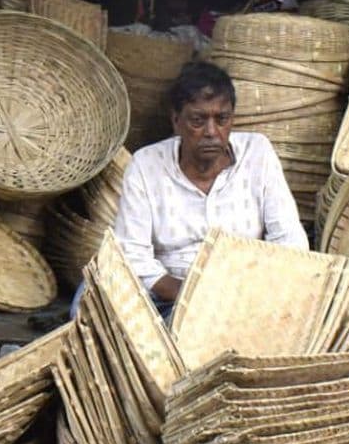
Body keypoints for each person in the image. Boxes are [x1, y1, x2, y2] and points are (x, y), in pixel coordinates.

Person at [111, 60, 309, 308]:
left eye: (222, 119)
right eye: (198, 120)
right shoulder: (146, 165)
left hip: (244, 292)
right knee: (96, 294)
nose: (212, 132)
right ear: (176, 121)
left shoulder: (257, 152)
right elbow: (132, 255)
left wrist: (253, 289)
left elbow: (289, 238)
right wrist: (196, 296)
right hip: (169, 293)